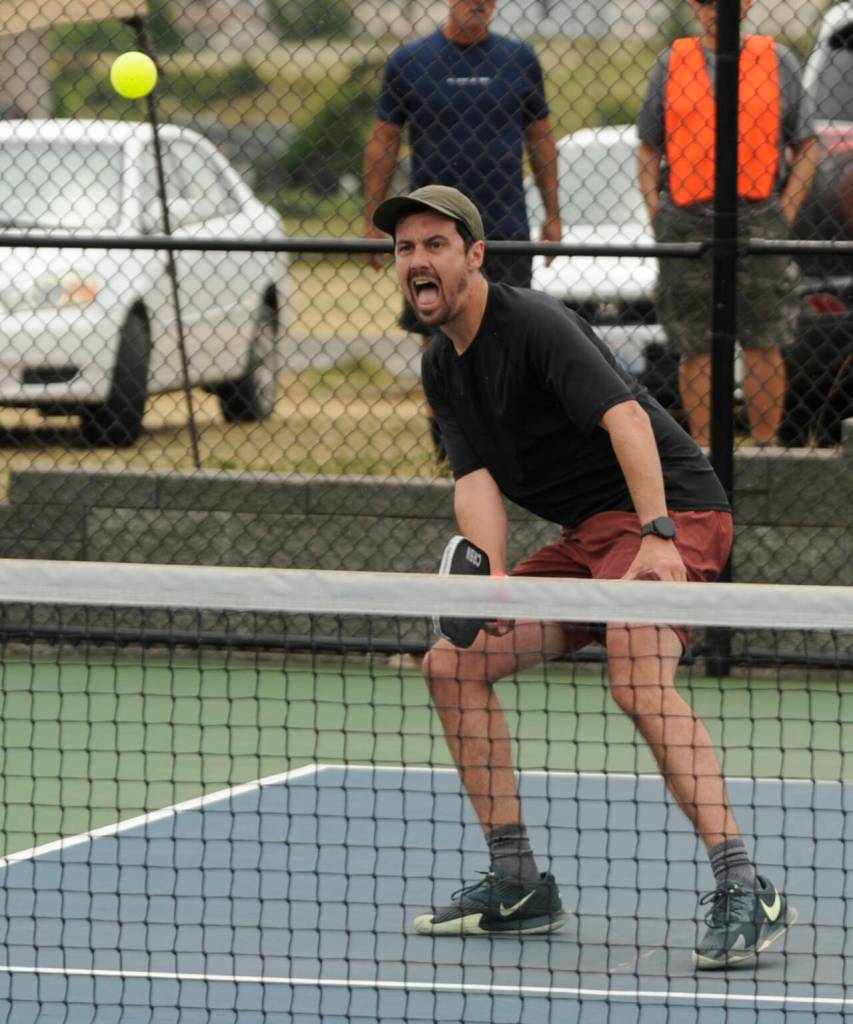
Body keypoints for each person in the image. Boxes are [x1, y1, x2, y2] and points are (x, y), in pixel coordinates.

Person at [373, 184, 797, 969]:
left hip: (670, 515)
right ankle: (517, 882)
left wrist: (659, 534)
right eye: (404, 248)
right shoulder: (441, 366)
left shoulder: (531, 323)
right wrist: (494, 578)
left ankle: (748, 886)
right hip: (583, 542)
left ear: (474, 256)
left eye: (435, 244)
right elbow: (475, 482)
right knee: (452, 665)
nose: (417, 259)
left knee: (637, 682)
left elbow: (627, 418)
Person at [636, 0, 819, 448]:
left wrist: (785, 212)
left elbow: (807, 146)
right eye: (705, 1)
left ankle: (764, 448)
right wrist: (657, 211)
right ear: (695, 8)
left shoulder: (778, 61)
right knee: (695, 343)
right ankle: (703, 451)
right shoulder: (672, 62)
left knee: (764, 336)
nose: (716, 9)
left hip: (759, 219)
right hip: (687, 221)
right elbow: (647, 147)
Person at [362, 0, 562, 300]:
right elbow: (384, 141)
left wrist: (553, 215)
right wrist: (371, 220)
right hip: (431, 226)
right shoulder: (409, 62)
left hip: (504, 227)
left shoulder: (520, 60)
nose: (479, 3)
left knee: (508, 328)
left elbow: (541, 139)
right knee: (435, 325)